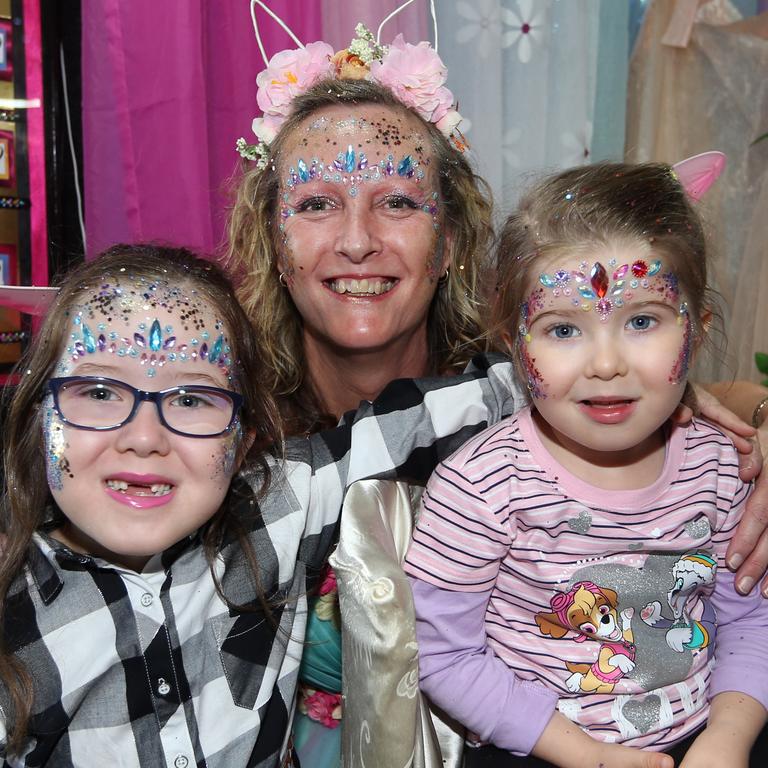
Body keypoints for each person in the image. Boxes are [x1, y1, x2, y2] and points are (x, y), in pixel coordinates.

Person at [227, 20, 768, 768]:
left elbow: (717, 408)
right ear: (272, 243)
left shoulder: (532, 390)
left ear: (449, 242)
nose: (357, 241)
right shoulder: (217, 433)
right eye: (316, 204)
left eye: (398, 202)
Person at [0, 243, 525, 766]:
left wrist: (572, 353)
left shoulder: (276, 511)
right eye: (98, 392)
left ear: (244, 439)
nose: (144, 437)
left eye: (190, 400)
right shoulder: (13, 614)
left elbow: (434, 417)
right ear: (37, 414)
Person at [404, 161, 768, 768]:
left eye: (643, 321)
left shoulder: (724, 466)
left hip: (710, 732)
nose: (605, 363)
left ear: (696, 331)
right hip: (539, 746)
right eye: (564, 328)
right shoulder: (480, 486)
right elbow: (443, 657)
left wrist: (726, 741)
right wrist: (592, 757)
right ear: (513, 339)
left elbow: (751, 621)